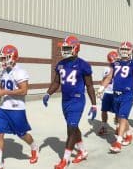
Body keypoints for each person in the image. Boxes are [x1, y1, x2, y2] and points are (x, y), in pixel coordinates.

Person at [42, 36, 97, 169]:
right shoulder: (61, 64)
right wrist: (48, 93)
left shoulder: (83, 64)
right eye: (64, 47)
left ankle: (65, 159)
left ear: (76, 48)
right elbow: (56, 82)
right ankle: (83, 151)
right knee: (73, 127)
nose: (64, 50)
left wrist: (94, 104)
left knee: (71, 129)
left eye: (67, 47)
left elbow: (89, 86)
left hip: (77, 100)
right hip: (65, 100)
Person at [0, 45, 39, 169]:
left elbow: (24, 91)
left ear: (13, 57)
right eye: (2, 58)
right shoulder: (3, 72)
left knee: (22, 134)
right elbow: (3, 88)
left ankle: (34, 147)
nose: (4, 61)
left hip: (16, 109)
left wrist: (5, 92)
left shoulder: (20, 72)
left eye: (6, 58)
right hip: (3, 108)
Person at [98, 41, 133, 153]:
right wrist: (101, 89)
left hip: (127, 95)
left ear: (130, 51)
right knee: (120, 117)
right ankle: (128, 135)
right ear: (119, 50)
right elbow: (109, 78)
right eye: (122, 49)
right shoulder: (116, 63)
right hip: (116, 94)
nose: (124, 52)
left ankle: (118, 142)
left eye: (126, 49)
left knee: (122, 117)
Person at [97, 50, 119, 135]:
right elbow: (103, 80)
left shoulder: (119, 69)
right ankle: (104, 126)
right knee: (104, 110)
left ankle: (118, 126)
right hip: (107, 92)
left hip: (116, 92)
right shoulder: (106, 69)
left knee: (117, 111)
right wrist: (101, 90)